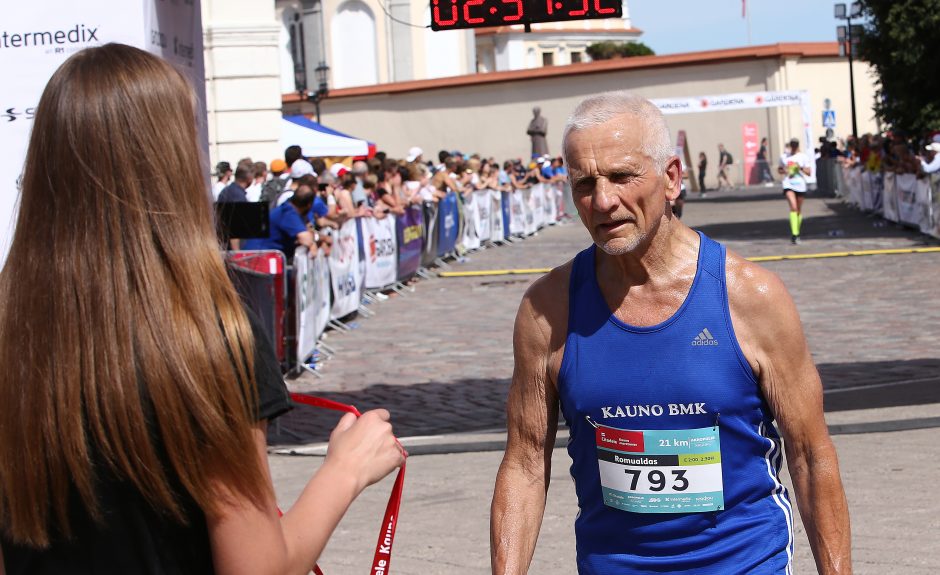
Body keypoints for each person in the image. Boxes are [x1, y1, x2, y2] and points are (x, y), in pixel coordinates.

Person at [0, 43, 405, 574]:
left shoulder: (12, 325)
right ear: (168, 161)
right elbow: (257, 568)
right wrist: (345, 470)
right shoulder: (208, 333)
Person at [491, 91, 850, 575]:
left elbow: (810, 455)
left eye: (622, 176)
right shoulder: (548, 309)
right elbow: (525, 463)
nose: (603, 201)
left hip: (744, 564)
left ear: (672, 178)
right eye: (584, 183)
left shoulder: (751, 296)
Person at [778, 138, 813, 244]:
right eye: (791, 145)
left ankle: (797, 231)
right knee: (793, 207)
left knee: (798, 210)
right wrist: (785, 170)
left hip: (800, 184)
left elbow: (809, 172)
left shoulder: (803, 157)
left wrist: (800, 168)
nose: (793, 147)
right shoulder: (784, 157)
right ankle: (794, 234)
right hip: (788, 183)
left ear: (797, 146)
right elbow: (779, 169)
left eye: (795, 145)